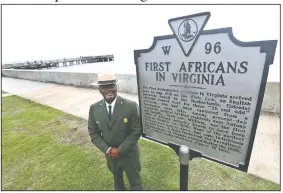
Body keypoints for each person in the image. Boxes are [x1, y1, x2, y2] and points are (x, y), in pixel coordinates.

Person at [88, 73, 142, 190]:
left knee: (135, 183)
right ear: (99, 90)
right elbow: (93, 133)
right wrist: (108, 150)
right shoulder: (94, 108)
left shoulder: (131, 106)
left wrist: (120, 150)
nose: (108, 90)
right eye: (104, 87)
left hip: (130, 155)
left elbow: (136, 131)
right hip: (110, 156)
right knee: (117, 182)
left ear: (116, 86)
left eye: (111, 86)